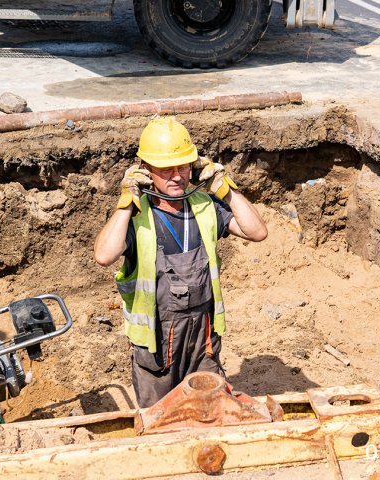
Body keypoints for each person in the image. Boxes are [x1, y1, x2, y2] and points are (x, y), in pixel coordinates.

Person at [94, 117, 267, 408]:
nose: (177, 176)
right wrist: (126, 202)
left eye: (183, 166)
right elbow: (104, 255)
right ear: (146, 171)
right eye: (165, 169)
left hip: (203, 342)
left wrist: (225, 187)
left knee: (210, 414)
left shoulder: (205, 206)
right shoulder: (138, 218)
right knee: (161, 423)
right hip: (156, 346)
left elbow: (257, 231)